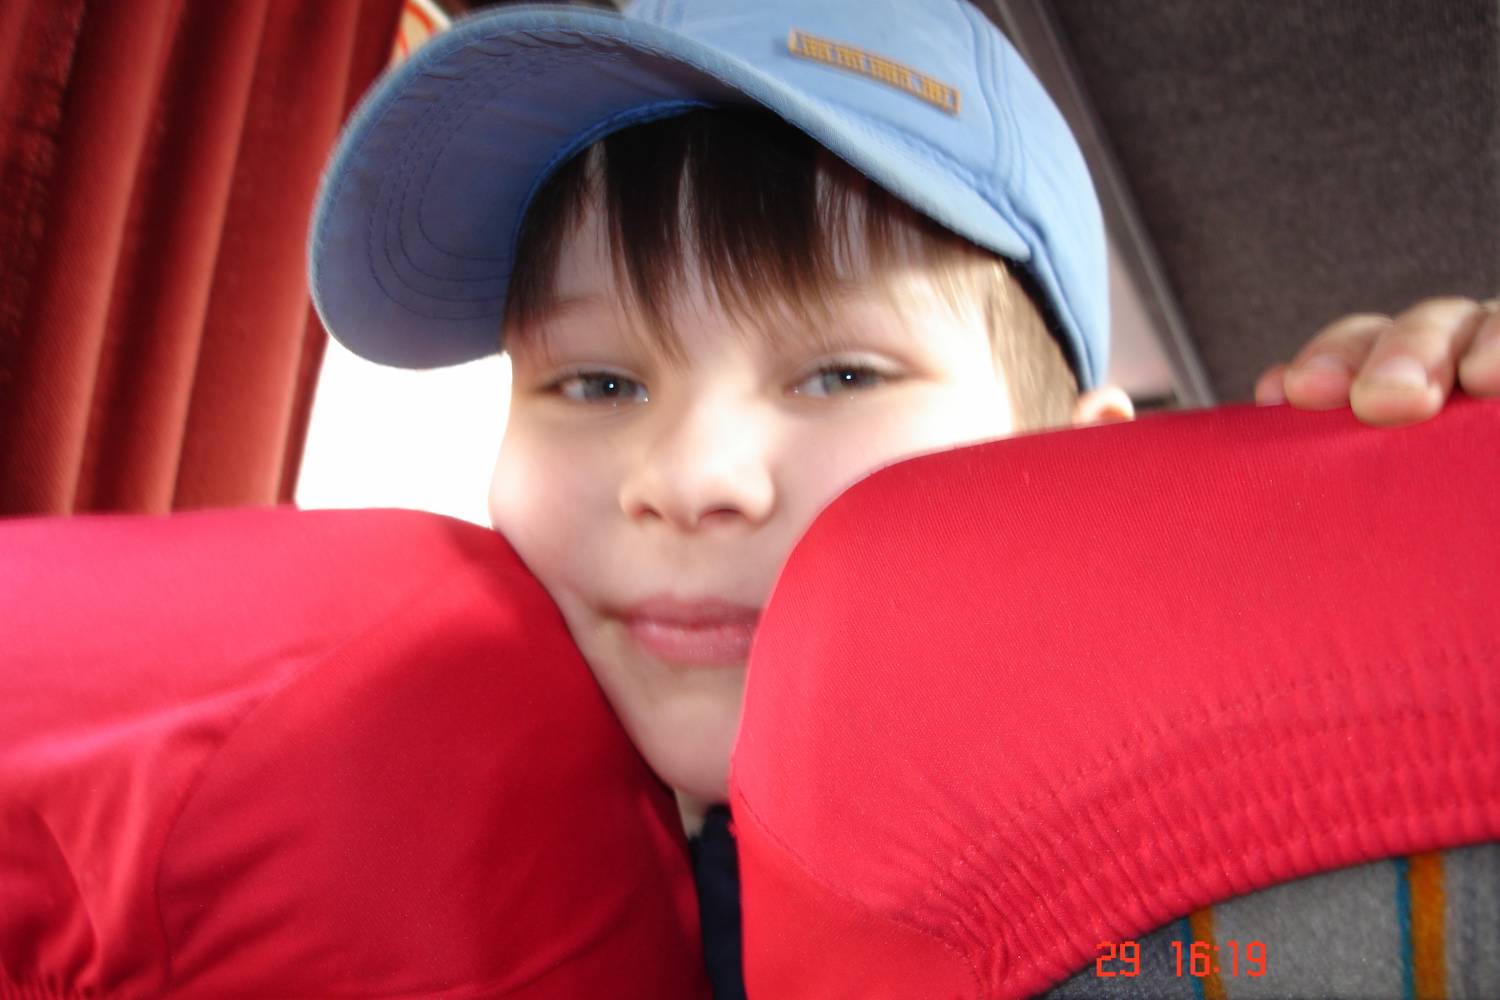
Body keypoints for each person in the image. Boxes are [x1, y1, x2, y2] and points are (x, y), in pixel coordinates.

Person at [307, 0, 1499, 994]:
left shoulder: (1201, 906)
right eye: (598, 382)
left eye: (841, 375)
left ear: (1076, 471)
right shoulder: (429, 861)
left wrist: (1437, 452)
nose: (691, 479)